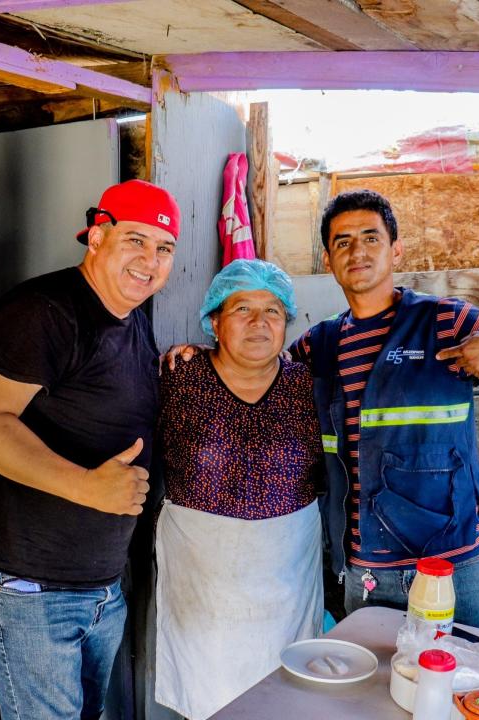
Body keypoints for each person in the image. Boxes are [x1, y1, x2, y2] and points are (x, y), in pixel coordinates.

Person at [288, 189, 479, 629]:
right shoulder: (317, 346)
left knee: (467, 686)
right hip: (365, 568)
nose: (357, 251)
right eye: (342, 241)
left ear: (396, 248)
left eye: (371, 237)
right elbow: (256, 377)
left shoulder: (445, 322)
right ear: (328, 259)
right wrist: (198, 358)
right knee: (375, 694)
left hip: (451, 562)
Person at [0, 179, 181, 720]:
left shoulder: (133, 321)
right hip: (27, 591)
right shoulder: (44, 311)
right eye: (135, 240)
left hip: (98, 587)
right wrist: (87, 486)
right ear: (97, 237)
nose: (149, 260)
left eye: (164, 248)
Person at [155, 259, 324, 720]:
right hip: (204, 571)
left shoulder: (305, 384)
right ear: (214, 321)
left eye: (272, 311)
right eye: (242, 308)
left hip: (288, 568)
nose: (259, 322)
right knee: (212, 695)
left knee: (288, 691)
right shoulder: (177, 377)